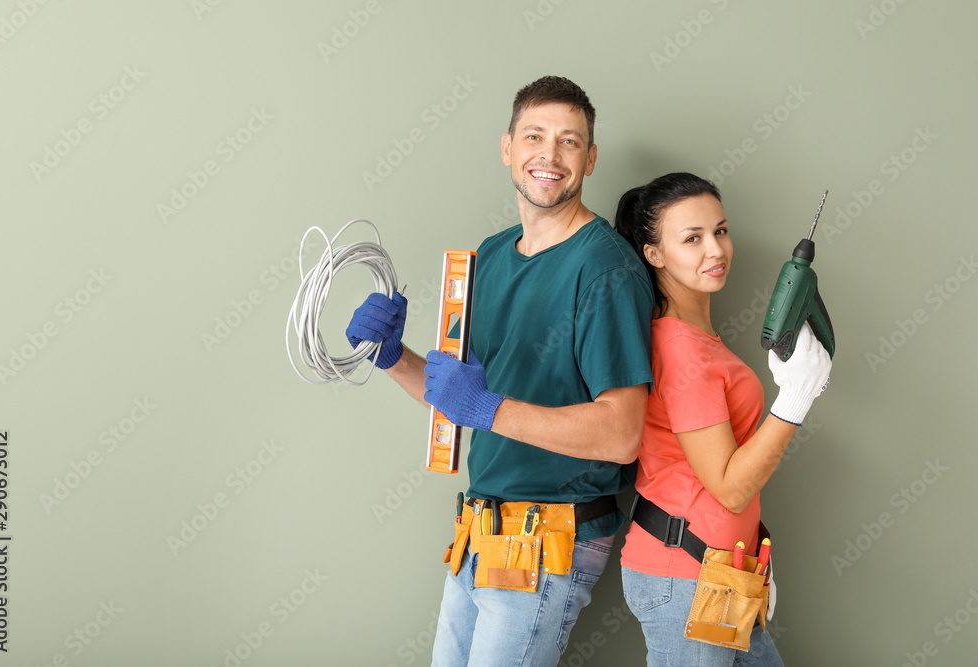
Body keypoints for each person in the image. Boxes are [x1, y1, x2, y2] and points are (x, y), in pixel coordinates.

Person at [344, 76, 655, 665]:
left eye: (570, 141)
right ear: (508, 147)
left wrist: (487, 408)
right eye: (535, 136)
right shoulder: (489, 255)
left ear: (590, 158)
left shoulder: (606, 269)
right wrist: (392, 358)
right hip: (479, 526)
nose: (550, 154)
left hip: (548, 537)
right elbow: (462, 401)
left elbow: (622, 434)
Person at [613, 172, 832, 665]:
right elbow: (729, 487)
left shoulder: (698, 339)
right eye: (692, 238)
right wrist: (794, 398)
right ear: (654, 254)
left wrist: (752, 554)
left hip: (724, 573)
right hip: (685, 579)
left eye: (721, 230)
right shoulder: (682, 350)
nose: (716, 249)